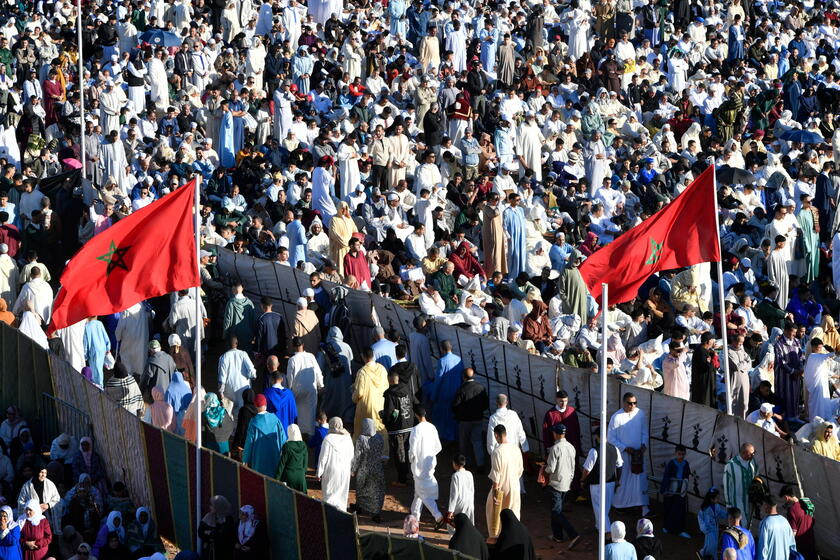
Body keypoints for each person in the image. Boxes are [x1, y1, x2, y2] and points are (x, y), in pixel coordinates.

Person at [608, 392, 650, 516]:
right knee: (624, 480)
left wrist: (643, 446)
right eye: (630, 403)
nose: (633, 405)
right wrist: (625, 448)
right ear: (624, 403)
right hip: (624, 456)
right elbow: (611, 438)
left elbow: (644, 432)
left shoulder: (640, 414)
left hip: (638, 456)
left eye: (635, 403)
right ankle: (620, 504)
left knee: (640, 480)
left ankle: (643, 507)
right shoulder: (616, 417)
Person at [581, 425, 623, 537]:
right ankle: (599, 527)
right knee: (606, 507)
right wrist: (618, 480)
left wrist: (582, 480)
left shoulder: (594, 451)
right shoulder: (615, 449)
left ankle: (608, 533)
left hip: (597, 485)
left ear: (598, 436)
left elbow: (586, 470)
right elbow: (620, 466)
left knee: (599, 508)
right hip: (611, 483)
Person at [544, 423, 580, 549]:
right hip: (566, 483)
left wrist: (544, 468)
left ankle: (573, 534)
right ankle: (557, 536)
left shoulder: (555, 449)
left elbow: (551, 469)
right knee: (556, 510)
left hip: (556, 484)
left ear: (556, 434)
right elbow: (573, 466)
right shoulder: (571, 447)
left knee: (556, 512)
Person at [408, 406, 445, 529]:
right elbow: (438, 447)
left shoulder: (416, 429)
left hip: (419, 465)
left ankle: (438, 516)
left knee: (422, 493)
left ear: (416, 415)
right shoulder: (432, 427)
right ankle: (415, 516)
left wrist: (411, 458)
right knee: (418, 491)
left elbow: (412, 449)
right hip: (429, 464)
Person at [485, 424, 524, 539]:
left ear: (496, 436)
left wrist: (495, 492)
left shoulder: (497, 452)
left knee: (495, 512)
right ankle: (514, 536)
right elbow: (520, 470)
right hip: (515, 485)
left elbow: (496, 475)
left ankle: (497, 536)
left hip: (502, 487)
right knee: (514, 511)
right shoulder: (516, 448)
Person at [382, 370, 417, 485]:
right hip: (409, 425)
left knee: (399, 454)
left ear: (390, 380)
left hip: (397, 428)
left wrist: (385, 420)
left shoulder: (390, 394)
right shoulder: (407, 389)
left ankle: (402, 479)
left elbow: (390, 413)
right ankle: (410, 474)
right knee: (408, 451)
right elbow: (414, 403)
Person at [285, 336, 324, 439]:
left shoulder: (292, 360)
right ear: (303, 345)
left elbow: (290, 377)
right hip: (311, 389)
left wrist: (288, 389)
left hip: (297, 389)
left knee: (298, 413)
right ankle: (310, 435)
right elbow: (318, 371)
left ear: (293, 347)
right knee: (310, 413)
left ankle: (299, 435)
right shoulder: (311, 356)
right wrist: (321, 385)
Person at [242, 393, 287, 477]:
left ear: (255, 406)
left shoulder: (254, 422)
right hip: (274, 456)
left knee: (260, 482)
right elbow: (283, 439)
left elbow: (249, 442)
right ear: (266, 404)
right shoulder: (276, 420)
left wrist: (245, 459)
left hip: (259, 458)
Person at [352, 348, 389, 450]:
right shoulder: (382, 369)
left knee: (363, 430)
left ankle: (363, 452)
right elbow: (386, 386)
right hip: (380, 404)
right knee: (380, 428)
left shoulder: (362, 372)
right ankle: (384, 453)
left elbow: (359, 392)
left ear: (363, 357)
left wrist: (354, 398)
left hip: (366, 406)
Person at [351, 418, 386, 522]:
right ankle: (376, 513)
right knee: (377, 491)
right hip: (377, 468)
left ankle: (359, 507)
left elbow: (357, 456)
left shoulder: (361, 439)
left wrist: (353, 469)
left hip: (364, 469)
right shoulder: (379, 437)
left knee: (361, 489)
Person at [316, 417, 354, 512]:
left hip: (331, 470)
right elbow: (352, 455)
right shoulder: (348, 437)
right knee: (342, 493)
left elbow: (323, 458)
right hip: (345, 470)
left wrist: (319, 472)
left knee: (329, 493)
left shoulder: (328, 438)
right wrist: (351, 469)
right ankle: (341, 513)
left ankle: (329, 513)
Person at [431, 340, 464, 442]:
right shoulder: (459, 359)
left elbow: (439, 379)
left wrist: (434, 395)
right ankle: (454, 437)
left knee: (444, 418)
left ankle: (446, 438)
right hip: (457, 391)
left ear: (442, 349)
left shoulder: (442, 361)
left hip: (445, 393)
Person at [723, 443, 759, 528]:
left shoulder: (752, 462)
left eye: (754, 453)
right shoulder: (731, 465)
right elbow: (726, 486)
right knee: (738, 524)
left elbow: (757, 475)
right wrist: (728, 505)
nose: (753, 455)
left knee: (749, 523)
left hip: (749, 500)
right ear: (743, 453)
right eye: (751, 453)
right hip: (737, 501)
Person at [660, 444, 691, 537]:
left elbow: (687, 476)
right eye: (679, 454)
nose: (681, 456)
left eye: (682, 454)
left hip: (681, 491)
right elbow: (666, 477)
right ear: (675, 453)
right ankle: (667, 527)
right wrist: (664, 490)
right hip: (671, 490)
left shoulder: (686, 464)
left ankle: (680, 530)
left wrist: (684, 488)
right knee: (669, 508)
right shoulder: (671, 463)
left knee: (680, 510)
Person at [780, 486, 816, 560]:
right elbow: (812, 521)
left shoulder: (792, 510)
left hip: (801, 545)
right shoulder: (806, 504)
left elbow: (793, 532)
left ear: (786, 497)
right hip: (811, 541)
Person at [757, 496, 798, 560]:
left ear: (766, 505)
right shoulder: (785, 521)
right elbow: (792, 544)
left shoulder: (765, 523)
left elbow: (763, 547)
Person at [264, 360, 298, 431]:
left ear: (271, 380)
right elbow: (294, 413)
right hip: (287, 430)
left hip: (272, 430)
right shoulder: (289, 394)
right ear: (282, 379)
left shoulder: (267, 393)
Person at [198, 495, 235, 560]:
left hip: (223, 552)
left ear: (219, 506)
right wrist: (211, 535)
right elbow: (200, 532)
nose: (210, 507)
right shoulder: (208, 517)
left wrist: (210, 533)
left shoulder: (228, 519)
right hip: (209, 550)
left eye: (212, 505)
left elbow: (225, 535)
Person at [276, 424, 308, 493]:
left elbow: (282, 463)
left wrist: (277, 478)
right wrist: (302, 473)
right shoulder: (303, 445)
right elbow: (305, 465)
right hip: (300, 477)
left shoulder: (287, 446)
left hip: (289, 477)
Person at [446, 454, 475, 528]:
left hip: (460, 504)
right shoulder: (469, 474)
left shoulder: (455, 476)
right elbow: (472, 490)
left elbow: (454, 494)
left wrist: (450, 511)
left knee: (454, 527)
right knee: (467, 524)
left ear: (454, 464)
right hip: (469, 503)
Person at [697, 488, 727, 560]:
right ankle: (704, 554)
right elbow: (700, 519)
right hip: (709, 529)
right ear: (711, 499)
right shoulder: (704, 509)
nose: (718, 500)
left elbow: (721, 513)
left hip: (715, 528)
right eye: (717, 498)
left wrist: (727, 514)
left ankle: (704, 555)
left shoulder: (717, 506)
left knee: (713, 544)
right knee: (711, 544)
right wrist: (704, 527)